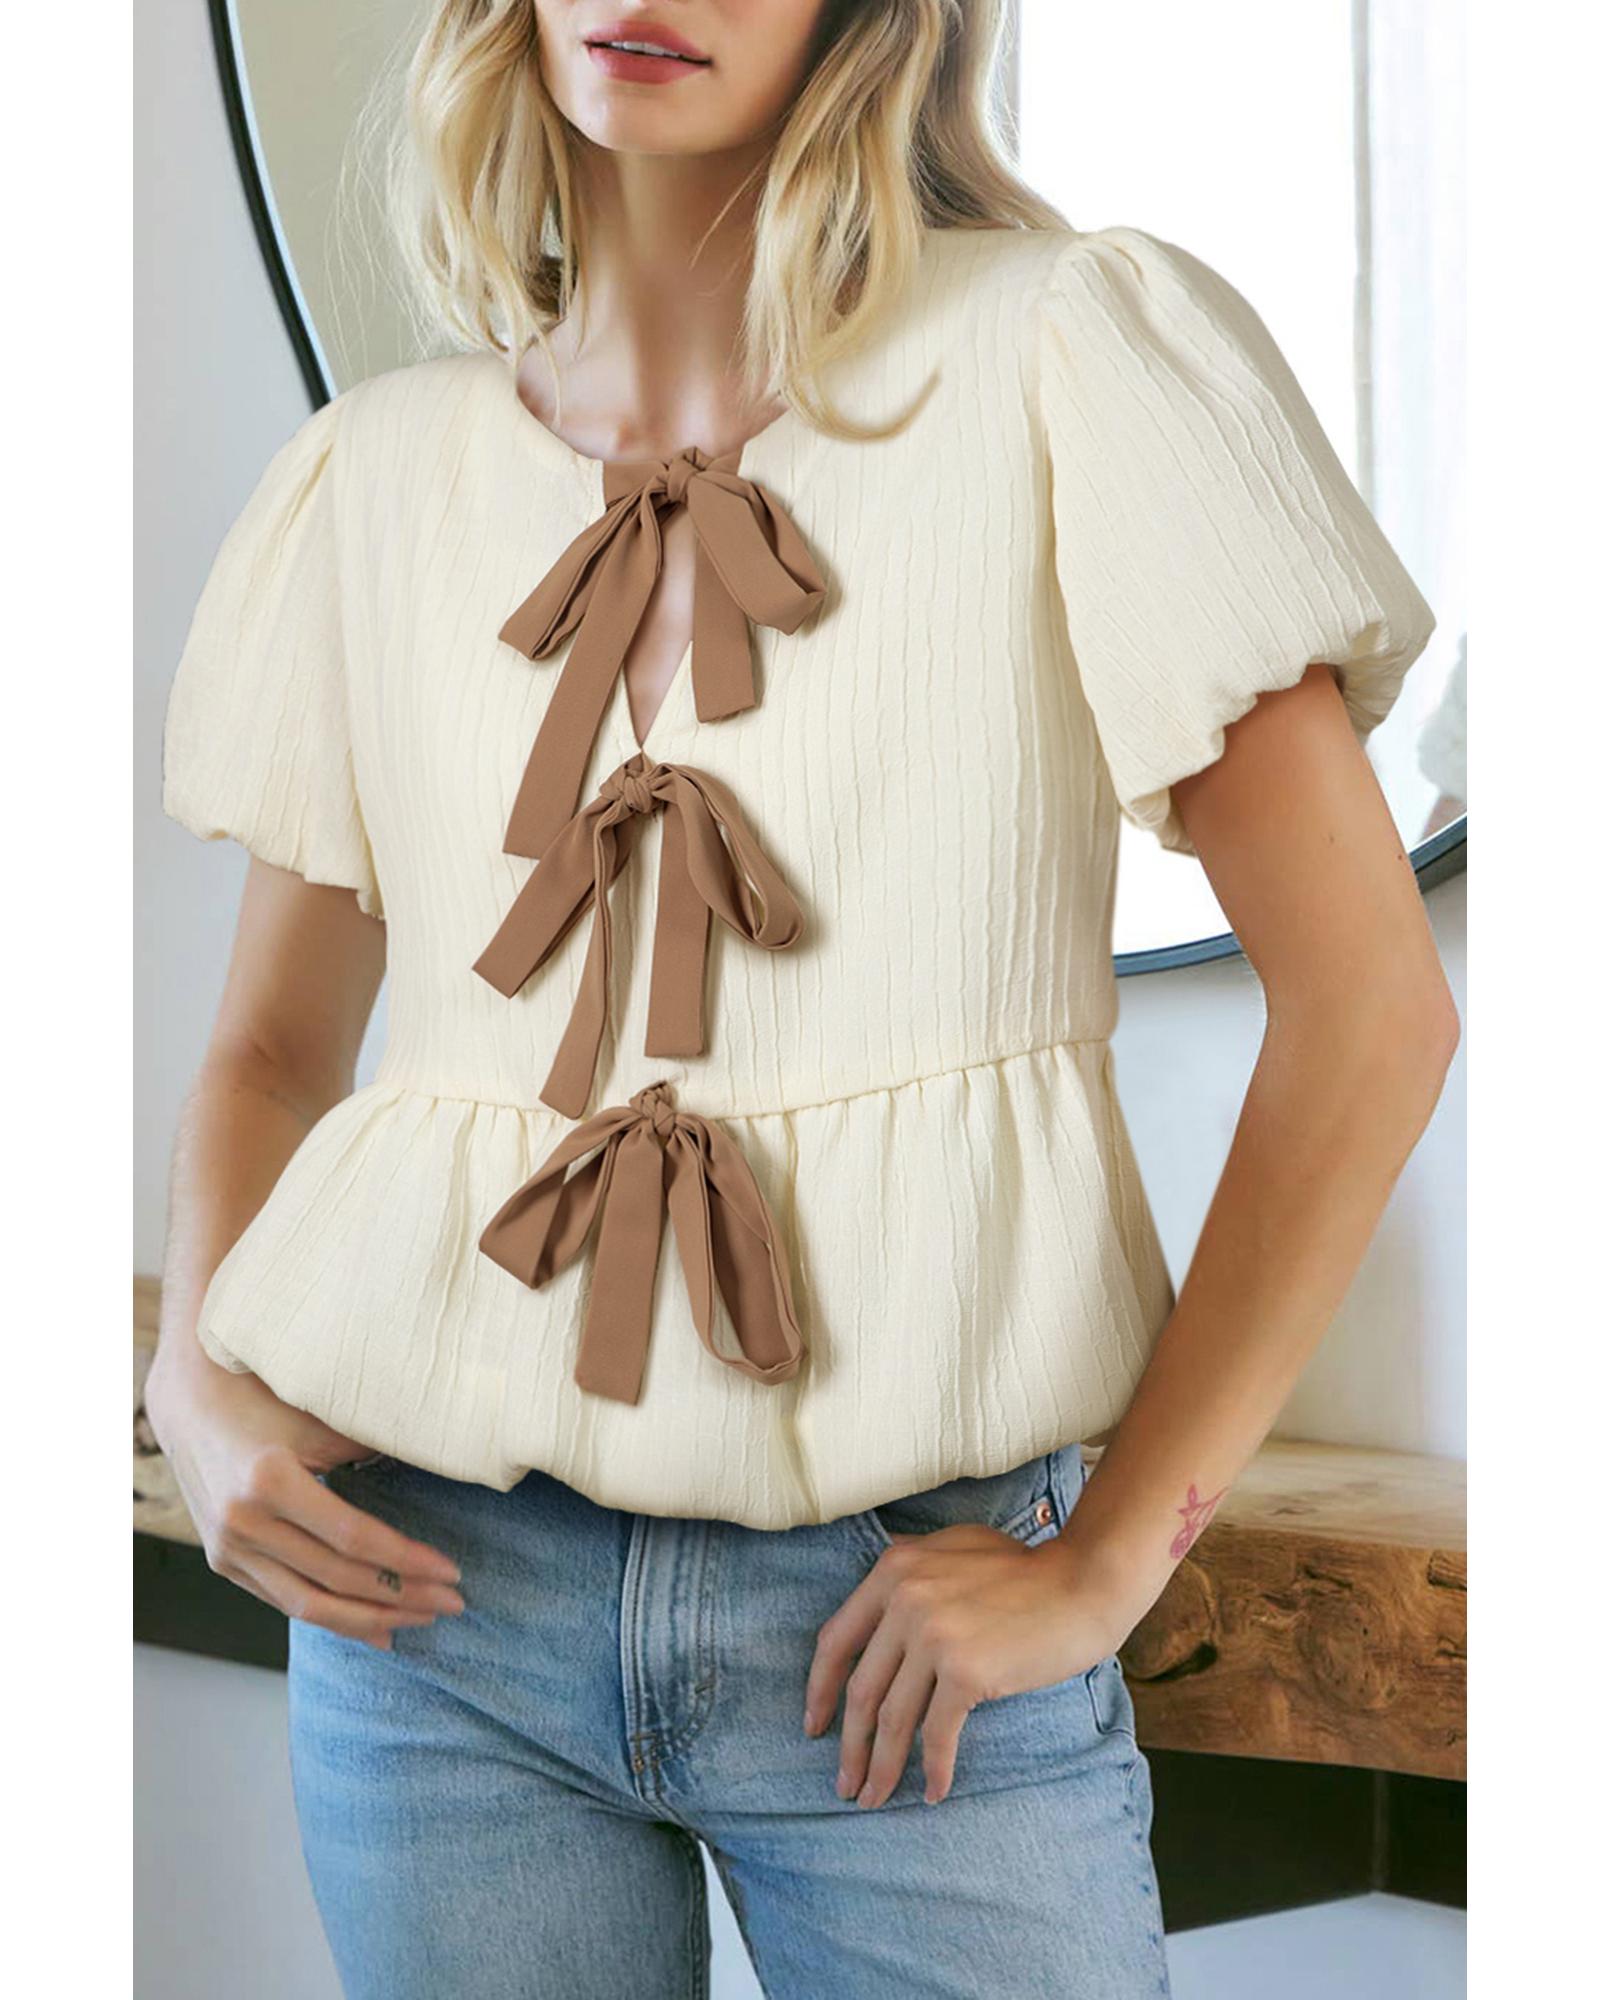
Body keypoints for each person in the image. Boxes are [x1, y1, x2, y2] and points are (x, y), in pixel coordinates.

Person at [145, 3, 1459, 1995]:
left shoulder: (1066, 357)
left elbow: (1371, 1007)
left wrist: (1107, 1560)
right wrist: (192, 1383)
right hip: (433, 1623)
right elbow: (269, 1050)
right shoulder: (374, 476)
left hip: (905, 1634)